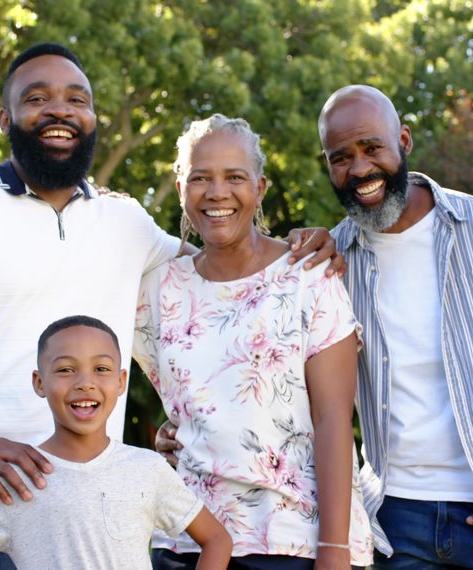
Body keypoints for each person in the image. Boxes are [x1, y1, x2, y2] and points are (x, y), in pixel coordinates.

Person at [0, 42, 340, 568]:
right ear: (5, 118)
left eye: (76, 99)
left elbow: (221, 270)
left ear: (92, 117)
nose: (60, 110)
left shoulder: (124, 221)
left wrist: (306, 245)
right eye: (37, 98)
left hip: (102, 510)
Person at [320, 85, 473, 569]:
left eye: (371, 147)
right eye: (340, 157)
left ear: (403, 140)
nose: (359, 168)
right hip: (395, 521)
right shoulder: (330, 262)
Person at [133, 114, 374, 569]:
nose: (217, 192)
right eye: (200, 177)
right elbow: (182, 409)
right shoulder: (159, 289)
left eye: (234, 178)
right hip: (185, 540)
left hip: (291, 540)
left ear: (260, 188)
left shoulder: (309, 276)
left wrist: (335, 549)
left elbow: (333, 420)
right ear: (181, 187)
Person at [0, 315, 232, 569]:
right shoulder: (22, 478)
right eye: (66, 370)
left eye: (101, 369)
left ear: (121, 381)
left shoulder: (147, 468)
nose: (85, 383)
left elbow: (217, 540)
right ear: (39, 383)